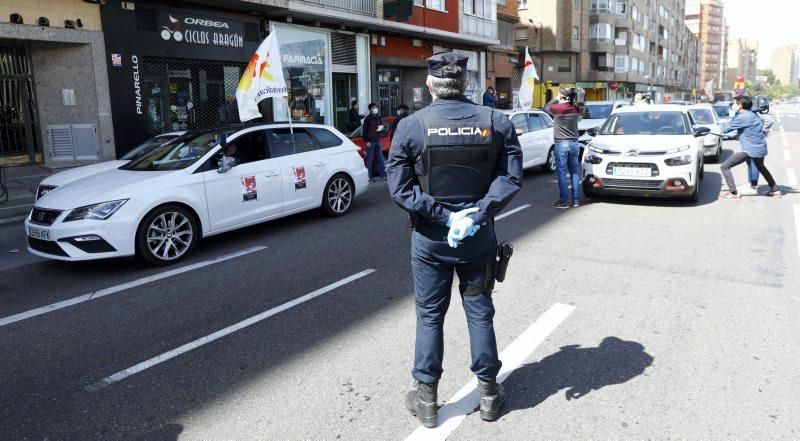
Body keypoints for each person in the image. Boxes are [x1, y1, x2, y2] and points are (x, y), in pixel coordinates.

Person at [387, 52, 522, 428]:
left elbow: (400, 189)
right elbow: (510, 178)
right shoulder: (496, 121)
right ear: (467, 85)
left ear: (430, 86)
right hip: (477, 239)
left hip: (431, 239)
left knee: (430, 316)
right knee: (480, 312)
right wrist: (476, 215)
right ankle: (490, 394)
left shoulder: (412, 126)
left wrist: (444, 216)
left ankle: (427, 398)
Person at [718, 95, 781, 200]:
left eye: (734, 103)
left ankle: (734, 193)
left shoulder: (743, 116)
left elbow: (726, 129)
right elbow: (747, 130)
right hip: (760, 147)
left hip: (749, 149)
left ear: (740, 105)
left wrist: (709, 130)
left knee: (725, 167)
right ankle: (775, 190)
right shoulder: (752, 114)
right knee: (761, 167)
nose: (733, 105)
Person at [545, 88, 583, 208]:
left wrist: (556, 98)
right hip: (574, 143)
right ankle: (576, 200)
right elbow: (582, 109)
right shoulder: (576, 108)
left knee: (561, 172)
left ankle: (563, 201)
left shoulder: (557, 109)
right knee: (575, 172)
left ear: (561, 96)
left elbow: (546, 107)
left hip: (561, 143)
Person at [363, 102, 387, 182]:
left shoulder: (378, 117)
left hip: (377, 140)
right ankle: (368, 177)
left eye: (376, 107)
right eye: (373, 108)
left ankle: (383, 175)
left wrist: (382, 128)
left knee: (380, 158)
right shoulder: (367, 119)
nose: (375, 109)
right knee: (369, 160)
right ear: (370, 110)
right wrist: (367, 141)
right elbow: (365, 131)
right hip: (370, 141)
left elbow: (380, 127)